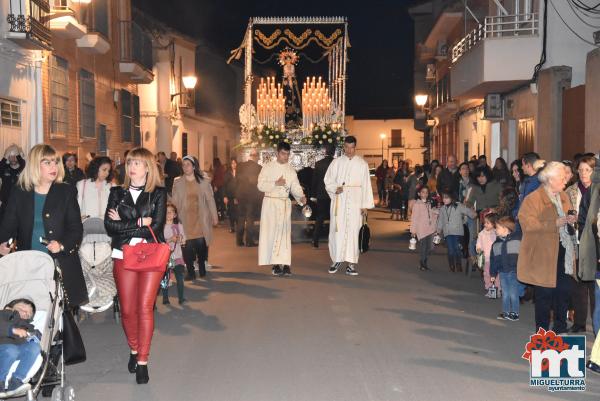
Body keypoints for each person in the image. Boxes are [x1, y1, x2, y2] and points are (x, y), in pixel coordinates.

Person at [104, 147, 167, 384]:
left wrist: (125, 222)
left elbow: (158, 227)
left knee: (144, 307)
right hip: (123, 255)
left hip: (150, 255)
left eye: (137, 163)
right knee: (128, 310)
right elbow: (109, 227)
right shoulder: (116, 193)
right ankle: (133, 348)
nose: (131, 167)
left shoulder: (158, 193)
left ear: (148, 167)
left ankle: (142, 361)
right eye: (130, 163)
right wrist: (140, 221)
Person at [0, 144, 87, 307]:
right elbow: (8, 226)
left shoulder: (66, 192)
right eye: (47, 162)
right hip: (28, 262)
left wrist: (62, 245)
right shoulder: (20, 192)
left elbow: (76, 229)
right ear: (34, 165)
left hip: (59, 262)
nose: (54, 166)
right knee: (30, 309)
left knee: (56, 315)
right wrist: (2, 244)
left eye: (55, 162)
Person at [518, 161, 577, 334]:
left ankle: (560, 329)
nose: (565, 181)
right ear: (550, 180)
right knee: (544, 296)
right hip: (543, 255)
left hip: (563, 253)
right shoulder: (534, 199)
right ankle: (542, 333)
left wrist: (570, 219)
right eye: (562, 178)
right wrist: (554, 223)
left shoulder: (564, 196)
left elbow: (567, 216)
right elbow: (527, 224)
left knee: (563, 293)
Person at [325, 136, 374, 276]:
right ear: (343, 147)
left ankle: (351, 264)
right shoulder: (336, 162)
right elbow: (327, 180)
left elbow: (366, 185)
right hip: (340, 202)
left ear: (355, 147)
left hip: (356, 202)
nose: (349, 150)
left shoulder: (362, 164)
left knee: (353, 232)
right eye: (347, 147)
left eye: (352, 147)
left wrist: (365, 205)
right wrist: (335, 188)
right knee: (337, 231)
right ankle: (336, 260)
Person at [257, 141, 306, 276]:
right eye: (283, 154)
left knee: (284, 235)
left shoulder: (290, 170)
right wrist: (275, 183)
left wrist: (301, 197)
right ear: (277, 153)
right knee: (272, 234)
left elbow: (295, 186)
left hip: (284, 204)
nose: (286, 157)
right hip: (270, 205)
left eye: (288, 154)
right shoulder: (267, 167)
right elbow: (260, 185)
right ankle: (275, 264)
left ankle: (285, 264)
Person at [171, 156, 218, 281]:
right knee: (186, 245)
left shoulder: (203, 181)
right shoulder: (178, 182)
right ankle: (190, 271)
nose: (185, 167)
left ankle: (201, 263)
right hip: (184, 218)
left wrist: (214, 216)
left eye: (188, 164)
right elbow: (174, 201)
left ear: (194, 166)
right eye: (184, 165)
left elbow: (210, 199)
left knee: (201, 245)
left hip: (200, 217)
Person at [565, 155, 596, 333]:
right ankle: (579, 322)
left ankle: (597, 325)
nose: (584, 174)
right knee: (577, 284)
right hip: (575, 241)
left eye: (588, 170)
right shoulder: (571, 191)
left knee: (594, 287)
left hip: (594, 245)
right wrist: (568, 219)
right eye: (581, 170)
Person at [0, 298, 40, 396]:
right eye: (22, 309)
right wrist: (12, 330)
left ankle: (16, 380)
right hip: (3, 345)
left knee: (34, 347)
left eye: (28, 314)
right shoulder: (3, 314)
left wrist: (34, 335)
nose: (25, 313)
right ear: (9, 307)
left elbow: (37, 334)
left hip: (17, 349)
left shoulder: (27, 325)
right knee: (11, 350)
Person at [490, 216, 522, 321]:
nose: (495, 230)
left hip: (514, 271)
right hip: (502, 272)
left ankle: (515, 313)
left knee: (513, 293)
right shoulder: (496, 244)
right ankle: (506, 312)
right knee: (505, 293)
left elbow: (523, 255)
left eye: (498, 228)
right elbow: (493, 260)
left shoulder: (518, 239)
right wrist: (493, 274)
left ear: (505, 228)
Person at [437, 191, 476, 272]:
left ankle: (458, 263)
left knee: (457, 248)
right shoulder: (442, 209)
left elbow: (467, 211)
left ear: (451, 198)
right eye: (443, 198)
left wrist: (474, 214)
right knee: (450, 250)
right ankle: (451, 264)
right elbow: (440, 220)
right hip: (447, 232)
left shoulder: (458, 206)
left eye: (446, 198)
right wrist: (438, 230)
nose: (444, 200)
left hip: (458, 232)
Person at [235, 149, 262, 247]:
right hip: (251, 196)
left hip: (240, 195)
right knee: (250, 218)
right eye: (258, 157)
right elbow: (259, 184)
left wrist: (235, 195)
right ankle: (249, 241)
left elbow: (236, 181)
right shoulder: (259, 168)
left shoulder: (240, 166)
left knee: (241, 217)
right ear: (256, 156)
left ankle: (239, 241)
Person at [162, 203, 186, 305]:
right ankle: (165, 298)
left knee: (180, 277)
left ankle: (181, 298)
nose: (168, 213)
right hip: (165, 258)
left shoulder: (179, 226)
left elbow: (184, 239)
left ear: (175, 214)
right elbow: (160, 242)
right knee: (165, 279)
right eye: (166, 212)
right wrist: (170, 239)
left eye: (171, 211)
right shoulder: (161, 227)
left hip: (177, 256)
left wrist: (181, 239)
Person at [311, 144, 335, 248]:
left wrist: (313, 195)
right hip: (333, 195)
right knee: (334, 218)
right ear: (334, 152)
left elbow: (314, 181)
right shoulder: (336, 163)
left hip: (321, 194)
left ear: (325, 152)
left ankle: (315, 240)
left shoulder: (318, 164)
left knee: (319, 218)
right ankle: (334, 241)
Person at [410, 186, 438, 271]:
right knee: (423, 246)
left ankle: (424, 260)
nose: (425, 194)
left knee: (430, 247)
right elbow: (414, 218)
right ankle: (423, 263)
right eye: (423, 192)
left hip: (430, 229)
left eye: (426, 192)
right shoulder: (417, 205)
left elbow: (431, 214)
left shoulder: (429, 203)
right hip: (421, 229)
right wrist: (413, 231)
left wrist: (436, 213)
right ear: (419, 194)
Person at [0, 144, 26, 222]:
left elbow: (23, 163)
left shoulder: (22, 169)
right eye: (11, 156)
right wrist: (5, 156)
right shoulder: (4, 168)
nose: (13, 158)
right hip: (5, 203)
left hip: (19, 203)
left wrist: (17, 151)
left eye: (15, 156)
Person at [477, 212, 498, 297]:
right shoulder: (482, 233)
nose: (485, 224)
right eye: (484, 222)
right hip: (486, 258)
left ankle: (497, 289)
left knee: (497, 275)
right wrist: (478, 248)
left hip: (496, 259)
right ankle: (489, 288)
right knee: (487, 274)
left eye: (487, 223)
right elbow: (479, 243)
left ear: (493, 224)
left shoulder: (497, 233)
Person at [223, 158, 238, 234]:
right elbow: (224, 185)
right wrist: (225, 196)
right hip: (230, 195)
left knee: (238, 211)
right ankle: (232, 227)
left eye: (235, 163)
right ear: (230, 164)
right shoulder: (227, 173)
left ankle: (238, 226)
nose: (234, 165)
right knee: (231, 211)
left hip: (238, 195)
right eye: (232, 163)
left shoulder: (239, 172)